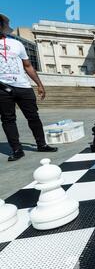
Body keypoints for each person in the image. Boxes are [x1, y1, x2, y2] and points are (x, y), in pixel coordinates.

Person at [0, 13, 57, 161]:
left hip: (23, 86)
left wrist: (39, 84)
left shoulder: (17, 44)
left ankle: (41, 144)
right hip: (2, 88)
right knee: (8, 119)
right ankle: (17, 149)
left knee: (33, 116)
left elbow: (28, 66)